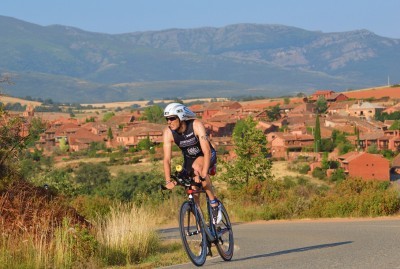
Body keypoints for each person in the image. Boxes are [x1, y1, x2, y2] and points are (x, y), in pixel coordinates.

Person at [163, 102, 221, 224]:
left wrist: (204, 173)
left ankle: (214, 204)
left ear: (181, 116)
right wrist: (168, 180)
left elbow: (207, 151)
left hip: (206, 154)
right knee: (192, 193)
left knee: (198, 170)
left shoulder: (196, 125)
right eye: (167, 119)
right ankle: (204, 234)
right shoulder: (168, 133)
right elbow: (167, 159)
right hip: (189, 159)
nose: (169, 122)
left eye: (172, 118)